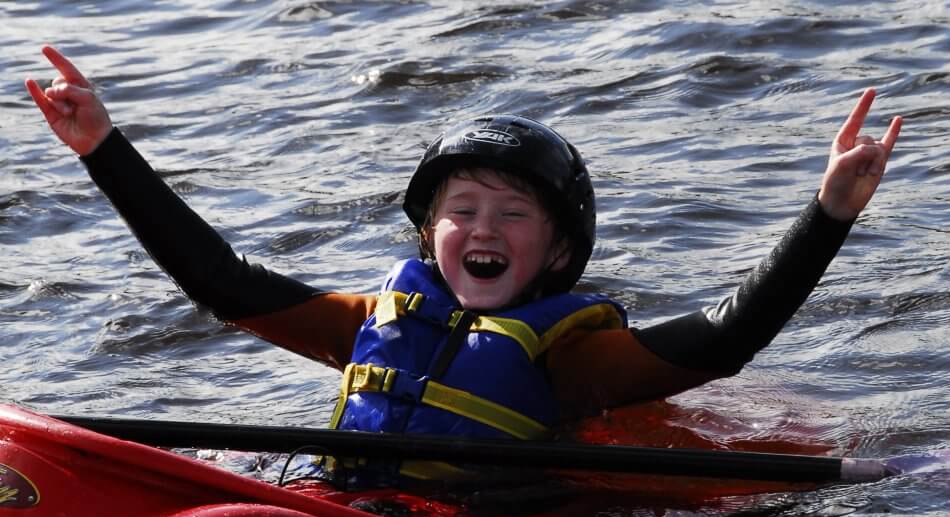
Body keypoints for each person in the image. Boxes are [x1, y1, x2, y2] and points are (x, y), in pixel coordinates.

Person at [26, 45, 901, 488]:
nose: (482, 229)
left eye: (514, 213)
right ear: (430, 236)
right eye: (462, 212)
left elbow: (723, 339)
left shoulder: (567, 358)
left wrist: (826, 215)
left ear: (558, 250)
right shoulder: (366, 321)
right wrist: (103, 147)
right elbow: (223, 280)